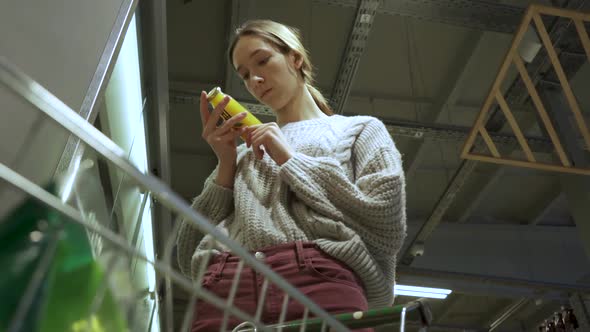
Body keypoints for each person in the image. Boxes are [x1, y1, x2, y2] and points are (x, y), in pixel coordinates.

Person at [176, 19, 407, 332]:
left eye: (262, 60)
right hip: (227, 285)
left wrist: (289, 158)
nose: (255, 79)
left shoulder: (358, 130)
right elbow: (188, 250)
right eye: (244, 74)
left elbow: (385, 219)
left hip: (318, 279)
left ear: (295, 57)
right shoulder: (243, 156)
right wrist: (226, 163)